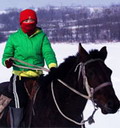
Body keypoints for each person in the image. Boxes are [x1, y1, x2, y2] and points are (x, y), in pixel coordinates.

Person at [2, 9, 57, 128]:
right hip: (19, 77)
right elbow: (6, 56)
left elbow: (48, 53)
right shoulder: (14, 38)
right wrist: (7, 62)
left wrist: (52, 66)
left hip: (38, 78)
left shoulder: (41, 36)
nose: (29, 22)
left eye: (32, 20)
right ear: (21, 22)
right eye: (26, 20)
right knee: (18, 102)